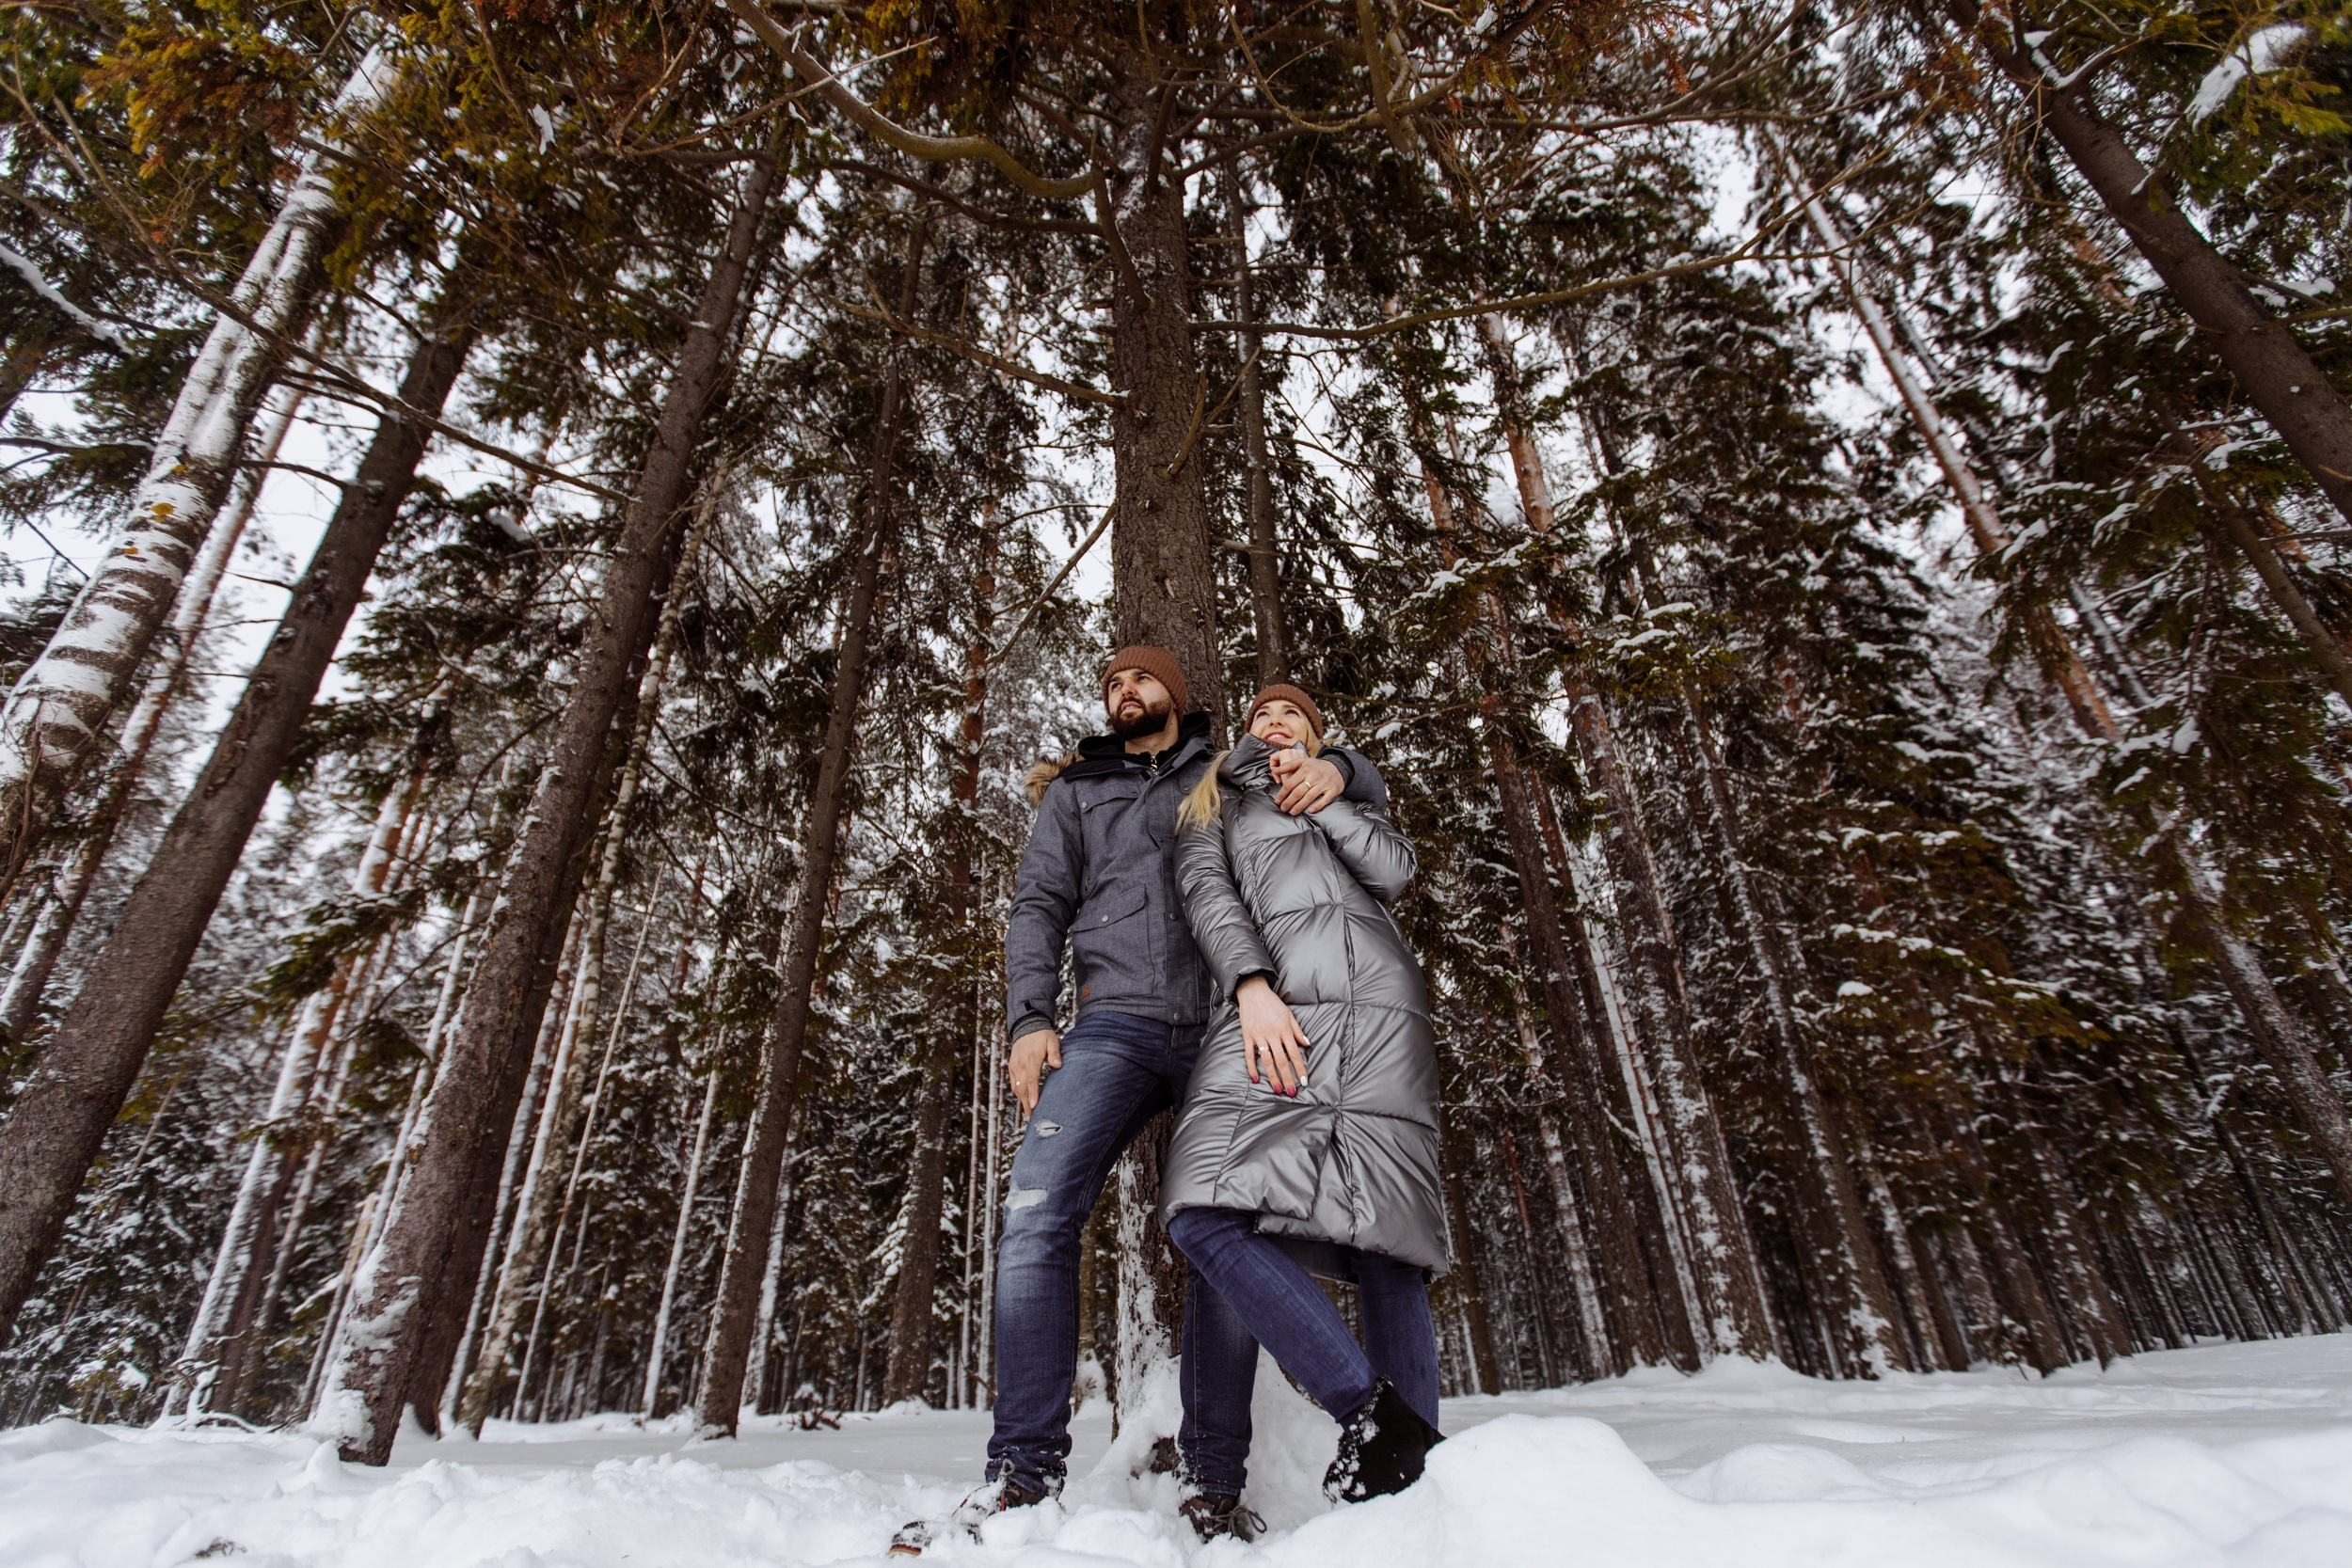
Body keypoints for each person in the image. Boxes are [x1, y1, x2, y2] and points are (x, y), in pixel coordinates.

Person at [893, 648, 1390, 1555]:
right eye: (1112, 683)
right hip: (1111, 1022)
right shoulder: (1075, 791)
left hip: (1228, 1022)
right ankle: (1022, 1474)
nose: (1125, 690)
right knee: (1035, 1209)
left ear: (1177, 694)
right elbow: (1038, 904)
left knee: (1227, 1227)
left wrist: (1345, 767)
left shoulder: (1223, 768)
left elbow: (1331, 775)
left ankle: (1213, 1484)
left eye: (1141, 678)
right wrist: (1029, 1018)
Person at [1160, 685, 1449, 1504]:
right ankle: (1369, 1412)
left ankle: (1411, 1496)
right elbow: (1208, 895)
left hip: (1383, 1009)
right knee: (1204, 1208)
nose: (1274, 721)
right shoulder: (1214, 799)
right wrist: (1250, 984)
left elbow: (1394, 872)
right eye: (1261, 714)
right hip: (1279, 1009)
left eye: (1292, 715)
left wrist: (1332, 789)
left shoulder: (1338, 788)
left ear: (1316, 734)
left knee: (1391, 1242)